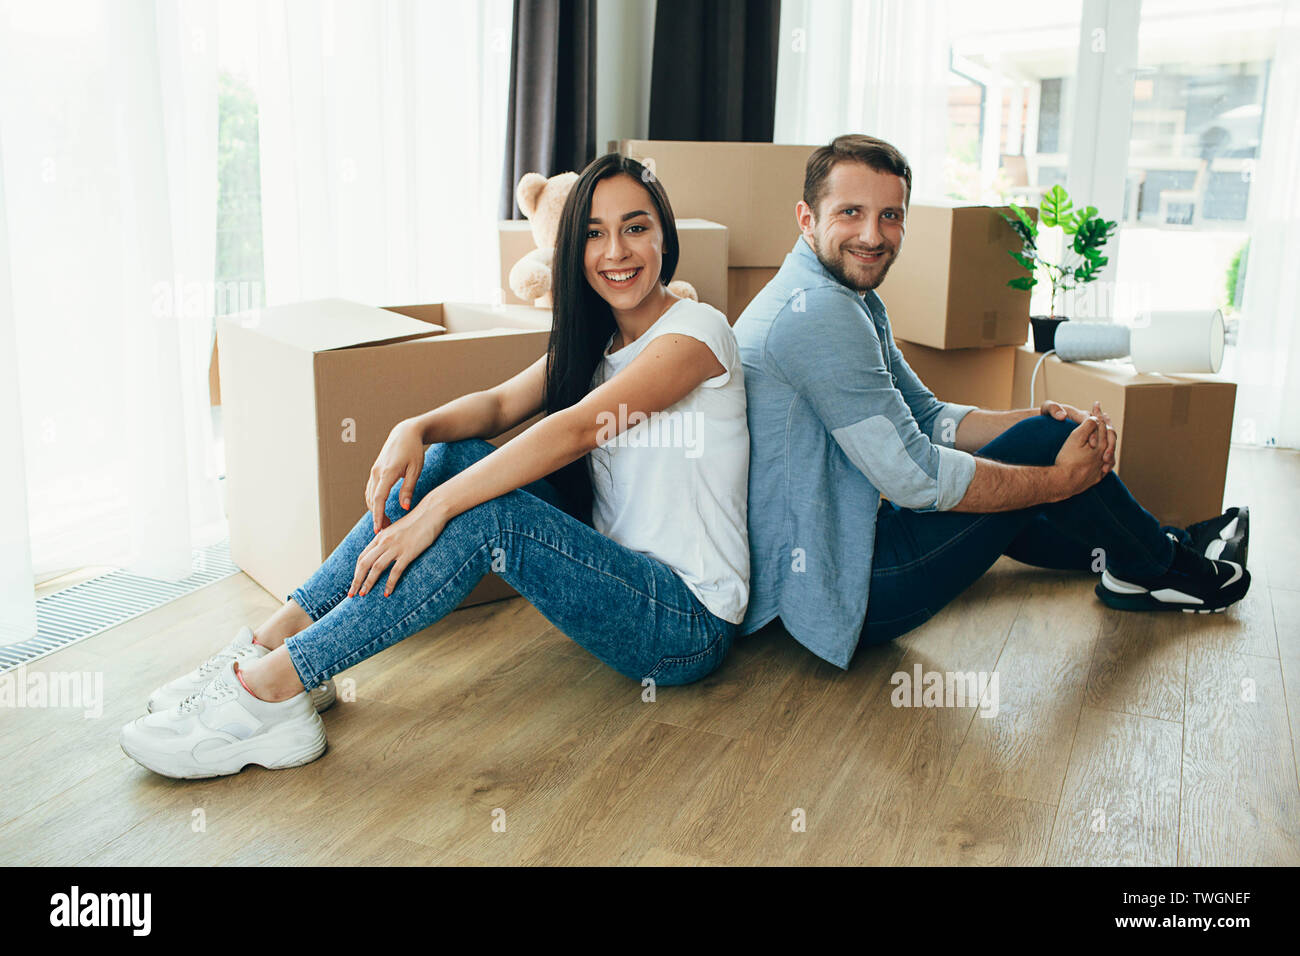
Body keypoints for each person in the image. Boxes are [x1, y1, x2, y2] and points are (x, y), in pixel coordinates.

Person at [120, 153, 750, 778]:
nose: (616, 250)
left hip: (684, 621)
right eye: (594, 233)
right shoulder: (594, 342)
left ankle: (272, 690)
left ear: (664, 234)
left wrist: (436, 512)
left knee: (489, 517)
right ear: (574, 250)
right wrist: (414, 427)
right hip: (620, 578)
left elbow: (577, 428)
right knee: (450, 457)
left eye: (635, 227)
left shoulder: (697, 333)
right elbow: (501, 404)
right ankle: (273, 641)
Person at [732, 133, 1250, 670]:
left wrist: (1035, 418)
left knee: (1034, 451)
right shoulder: (818, 312)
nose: (872, 234)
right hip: (837, 589)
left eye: (890, 215)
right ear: (806, 217)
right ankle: (1171, 566)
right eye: (851, 212)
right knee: (1035, 465)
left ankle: (1151, 556)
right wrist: (1057, 475)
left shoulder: (845, 296)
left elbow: (929, 418)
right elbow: (916, 479)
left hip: (843, 547)